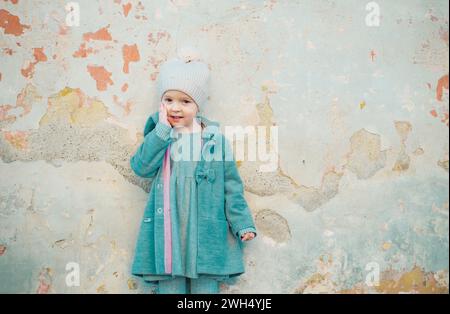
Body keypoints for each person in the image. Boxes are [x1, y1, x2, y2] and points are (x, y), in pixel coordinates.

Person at [130, 56, 257, 294]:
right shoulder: (161, 136)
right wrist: (161, 130)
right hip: (170, 230)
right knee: (169, 285)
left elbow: (231, 187)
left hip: (205, 233)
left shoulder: (215, 140)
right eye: (168, 100)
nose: (175, 107)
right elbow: (141, 168)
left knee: (206, 288)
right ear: (161, 104)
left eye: (185, 101)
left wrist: (242, 224)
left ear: (198, 105)